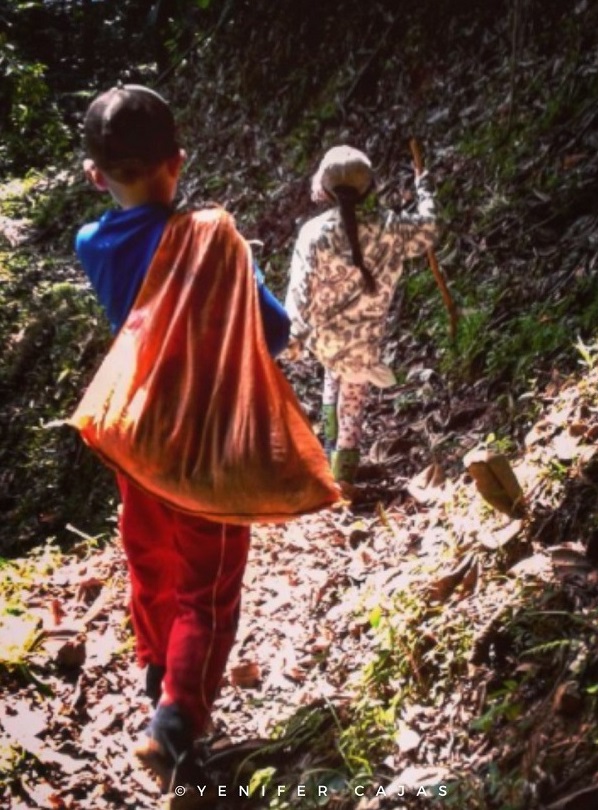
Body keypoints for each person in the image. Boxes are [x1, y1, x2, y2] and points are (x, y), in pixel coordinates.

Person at [74, 84, 290, 793]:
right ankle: (176, 723)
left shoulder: (91, 244)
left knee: (152, 560)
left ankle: (155, 679)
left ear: (95, 176)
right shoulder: (210, 238)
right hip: (208, 446)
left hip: (134, 433)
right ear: (179, 160)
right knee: (210, 584)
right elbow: (276, 331)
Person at [284, 144, 438, 483]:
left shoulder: (313, 234)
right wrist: (423, 188)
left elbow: (298, 294)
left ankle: (327, 451)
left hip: (325, 342)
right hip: (363, 344)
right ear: (370, 186)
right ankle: (343, 476)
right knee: (352, 402)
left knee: (332, 377)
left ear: (323, 189)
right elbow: (428, 229)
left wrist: (291, 341)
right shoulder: (391, 228)